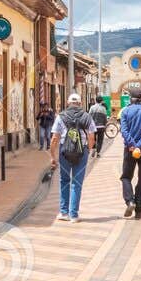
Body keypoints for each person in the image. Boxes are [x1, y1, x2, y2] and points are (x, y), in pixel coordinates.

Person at [49, 93, 95, 222]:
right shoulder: (87, 117)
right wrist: (88, 150)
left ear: (68, 103)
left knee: (64, 181)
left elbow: (54, 139)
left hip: (64, 152)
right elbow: (92, 137)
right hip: (82, 152)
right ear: (80, 103)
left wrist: (52, 156)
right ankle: (74, 215)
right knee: (77, 183)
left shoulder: (60, 117)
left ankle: (64, 213)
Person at [118, 81, 141, 219]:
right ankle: (139, 210)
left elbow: (124, 131)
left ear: (130, 99)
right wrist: (139, 145)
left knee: (126, 176)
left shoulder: (125, 111)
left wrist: (133, 145)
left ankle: (130, 201)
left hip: (129, 149)